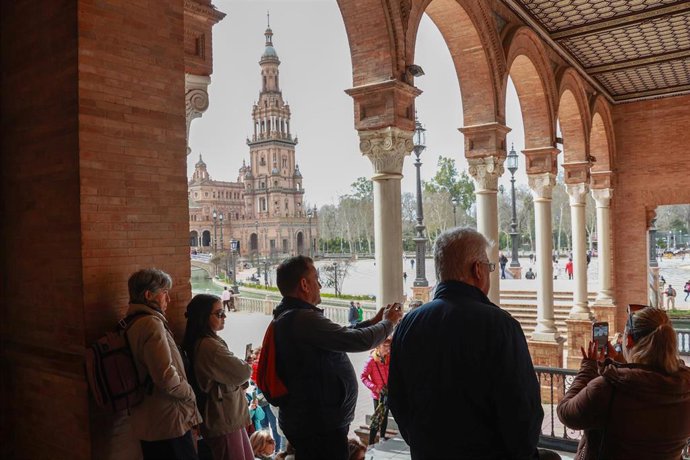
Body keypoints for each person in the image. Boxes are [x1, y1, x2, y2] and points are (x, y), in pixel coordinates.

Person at [388, 228, 544, 459]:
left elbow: (398, 398)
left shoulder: (408, 324)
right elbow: (522, 410)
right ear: (477, 270)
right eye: (489, 267)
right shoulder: (500, 326)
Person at [269, 255, 402, 460]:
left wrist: (373, 322)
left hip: (317, 424)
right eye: (316, 278)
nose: (320, 284)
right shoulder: (303, 319)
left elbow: (342, 335)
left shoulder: (294, 316)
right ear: (304, 284)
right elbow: (356, 341)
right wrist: (388, 323)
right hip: (319, 427)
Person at [557, 306, 690, 459]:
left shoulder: (607, 388)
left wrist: (588, 368)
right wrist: (621, 362)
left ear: (628, 340)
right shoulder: (684, 386)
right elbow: (649, 379)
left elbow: (566, 413)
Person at [125, 268, 202, 460]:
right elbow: (165, 376)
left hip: (150, 418)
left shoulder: (132, 321)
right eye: (164, 293)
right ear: (149, 295)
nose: (168, 299)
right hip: (168, 421)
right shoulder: (151, 324)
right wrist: (189, 394)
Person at [182, 293, 254, 460]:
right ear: (203, 317)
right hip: (224, 418)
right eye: (219, 313)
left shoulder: (205, 342)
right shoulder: (209, 346)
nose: (224, 316)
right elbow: (243, 372)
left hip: (226, 417)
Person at [361, 337, 392, 444]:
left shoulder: (389, 358)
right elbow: (363, 377)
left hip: (388, 393)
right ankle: (371, 442)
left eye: (389, 346)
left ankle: (382, 437)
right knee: (377, 418)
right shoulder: (371, 361)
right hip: (378, 395)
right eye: (385, 346)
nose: (388, 349)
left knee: (385, 415)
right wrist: (375, 388)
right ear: (378, 346)